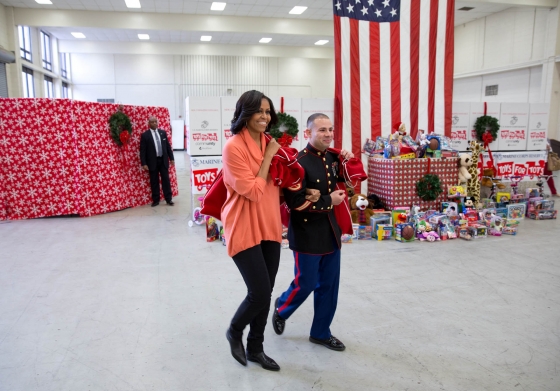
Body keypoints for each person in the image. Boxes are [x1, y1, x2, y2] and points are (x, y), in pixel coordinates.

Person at [272, 113, 353, 352]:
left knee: (329, 286)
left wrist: (348, 160)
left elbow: (345, 179)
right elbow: (296, 203)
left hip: (330, 232)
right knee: (305, 283)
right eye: (322, 130)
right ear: (308, 133)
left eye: (330, 129)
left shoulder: (332, 157)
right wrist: (329, 201)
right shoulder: (298, 162)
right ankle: (282, 308)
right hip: (307, 233)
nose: (328, 134)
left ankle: (320, 333)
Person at [222, 90, 283, 371]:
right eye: (259, 111)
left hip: (269, 224)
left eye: (268, 111)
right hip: (244, 225)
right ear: (245, 113)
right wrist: (269, 157)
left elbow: (279, 183)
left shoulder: (268, 141)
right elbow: (252, 191)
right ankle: (235, 331)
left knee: (267, 292)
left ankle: (256, 348)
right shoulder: (233, 147)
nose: (265, 116)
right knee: (258, 292)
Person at [140, 116, 175, 207]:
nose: (155, 123)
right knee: (154, 181)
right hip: (152, 162)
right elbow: (142, 150)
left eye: (156, 121)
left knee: (166, 180)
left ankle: (168, 199)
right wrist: (144, 163)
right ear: (149, 124)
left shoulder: (163, 133)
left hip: (163, 160)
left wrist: (171, 158)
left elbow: (167, 147)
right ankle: (156, 200)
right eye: (152, 122)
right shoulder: (145, 135)